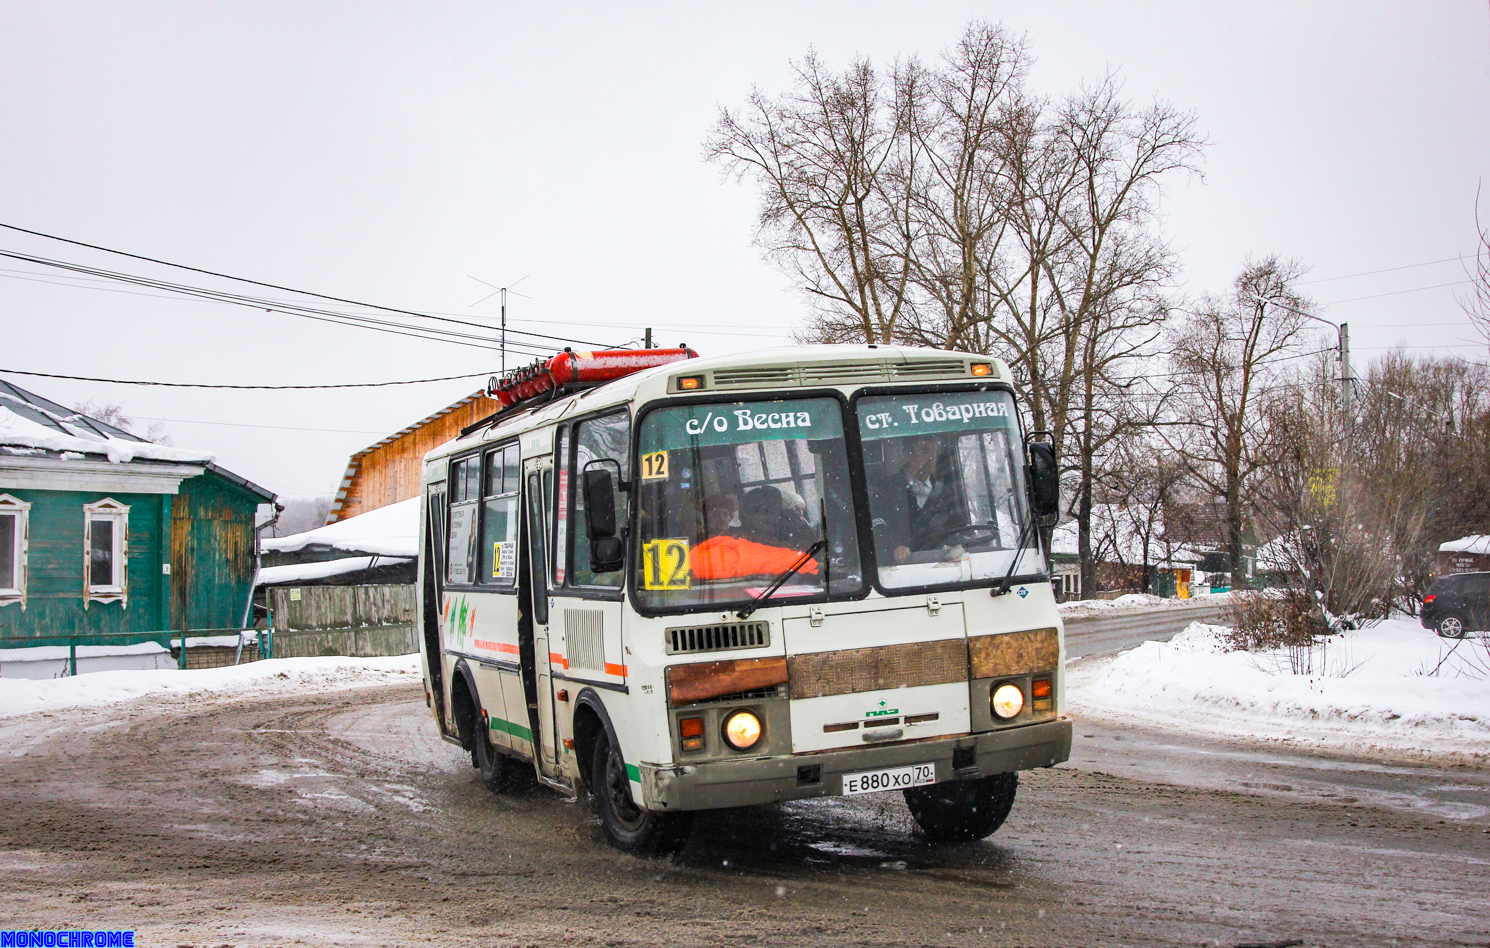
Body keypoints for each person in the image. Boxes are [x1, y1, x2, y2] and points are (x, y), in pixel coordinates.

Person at [875, 436, 963, 564]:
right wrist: (893, 547)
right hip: (901, 569)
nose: (932, 458)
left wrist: (971, 539)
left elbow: (958, 525)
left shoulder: (945, 491)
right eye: (925, 451)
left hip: (942, 565)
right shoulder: (887, 489)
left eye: (934, 452)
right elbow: (877, 525)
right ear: (908, 455)